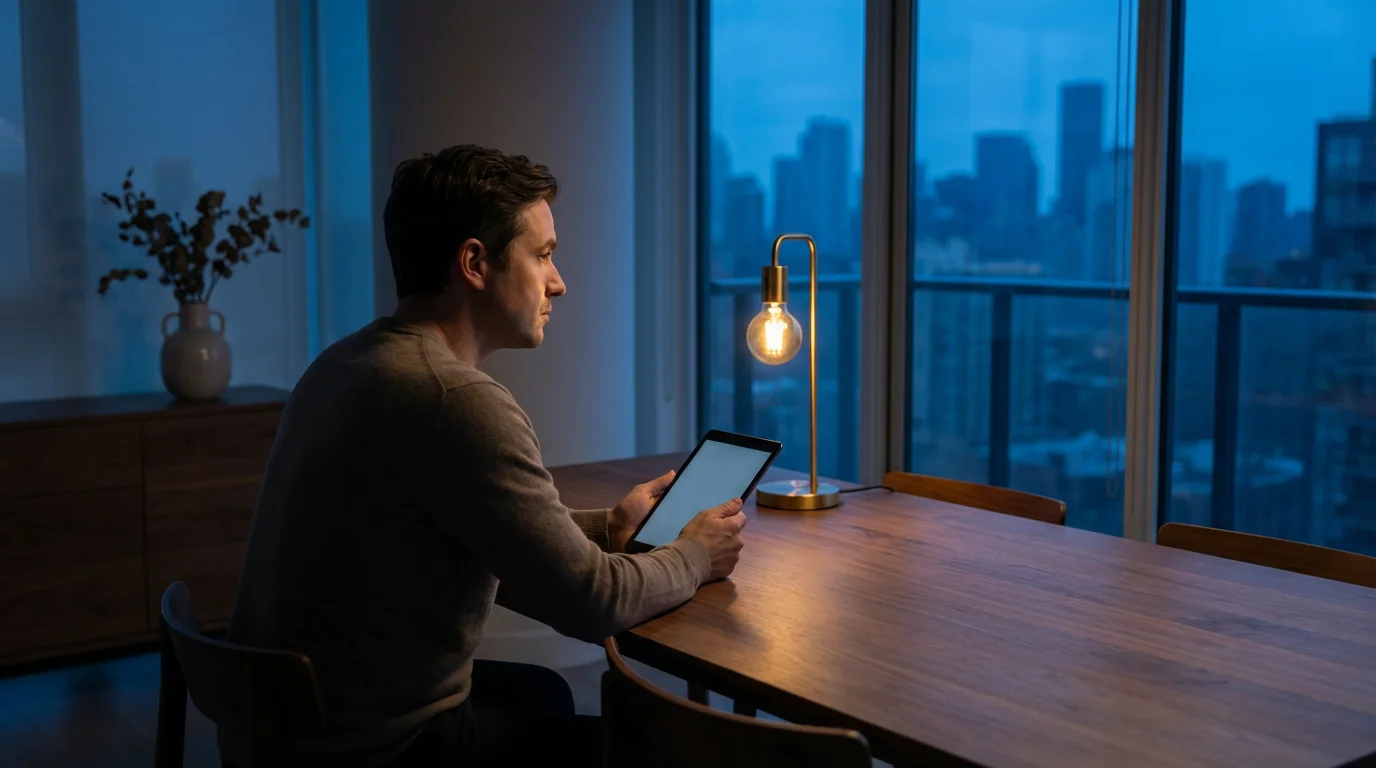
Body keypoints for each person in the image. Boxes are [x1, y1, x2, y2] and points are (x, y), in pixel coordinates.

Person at [222, 144, 748, 766]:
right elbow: (590, 603)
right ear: (474, 262)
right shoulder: (455, 400)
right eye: (544, 255)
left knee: (544, 692)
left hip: (282, 727)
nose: (560, 281)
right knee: (648, 748)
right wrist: (694, 555)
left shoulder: (343, 364)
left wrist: (607, 528)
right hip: (372, 748)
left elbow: (451, 536)